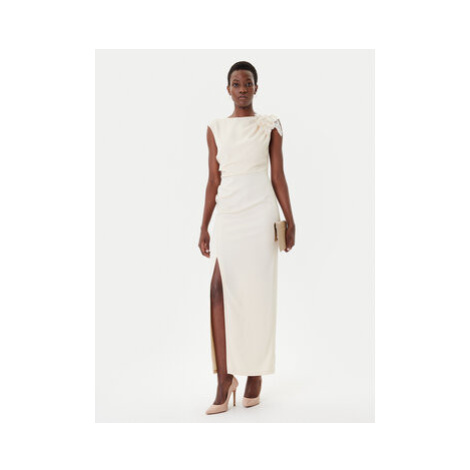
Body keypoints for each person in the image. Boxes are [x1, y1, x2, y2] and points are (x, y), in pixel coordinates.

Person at [198, 61, 296, 415]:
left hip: (260, 216)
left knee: (257, 295)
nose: (242, 89)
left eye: (248, 83)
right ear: (228, 89)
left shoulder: (270, 125)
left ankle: (254, 373)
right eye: (236, 83)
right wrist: (204, 225)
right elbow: (213, 180)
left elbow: (277, 175)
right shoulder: (216, 128)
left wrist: (289, 218)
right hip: (229, 217)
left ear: (256, 87)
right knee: (218, 291)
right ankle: (224, 379)